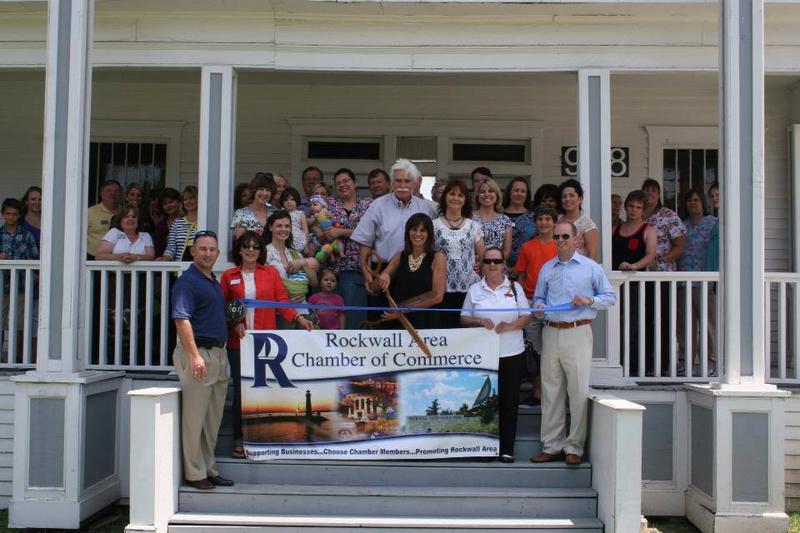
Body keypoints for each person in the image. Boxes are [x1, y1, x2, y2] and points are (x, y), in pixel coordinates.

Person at [530, 221, 616, 465]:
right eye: (557, 236)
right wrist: (539, 307)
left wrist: (588, 300)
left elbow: (610, 297)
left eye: (565, 236)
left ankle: (574, 448)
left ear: (576, 238)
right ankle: (551, 445)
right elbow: (538, 298)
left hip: (578, 331)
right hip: (551, 331)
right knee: (550, 391)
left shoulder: (591, 268)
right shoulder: (547, 268)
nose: (560, 240)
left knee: (578, 391)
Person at [221, 231, 312, 459]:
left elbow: (282, 303)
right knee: (242, 391)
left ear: (261, 251)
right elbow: (224, 306)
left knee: (265, 388)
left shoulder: (270, 273)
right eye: (246, 246)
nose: (251, 250)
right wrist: (234, 323)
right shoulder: (229, 275)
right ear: (239, 249)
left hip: (265, 342)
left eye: (255, 246)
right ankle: (239, 439)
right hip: (238, 342)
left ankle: (263, 438)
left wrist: (299, 319)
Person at [171, 230, 234, 490]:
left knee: (211, 420)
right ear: (193, 252)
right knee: (195, 418)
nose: (208, 253)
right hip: (199, 354)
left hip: (218, 354)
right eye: (203, 249)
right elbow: (181, 320)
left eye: (212, 249)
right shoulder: (188, 282)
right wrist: (195, 355)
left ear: (217, 253)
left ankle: (209, 468)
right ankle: (194, 473)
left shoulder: (212, 282)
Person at [461, 247, 531, 463]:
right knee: (485, 403)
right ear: (482, 264)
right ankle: (485, 447)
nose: (492, 265)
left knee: (509, 402)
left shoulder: (515, 288)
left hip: (512, 353)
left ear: (503, 265)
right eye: (488, 261)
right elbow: (463, 318)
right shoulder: (474, 289)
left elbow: (526, 316)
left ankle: (506, 448)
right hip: (483, 356)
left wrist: (510, 326)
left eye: (497, 261)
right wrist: (478, 321)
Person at [352, 159, 438, 299]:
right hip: (381, 271)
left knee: (410, 313)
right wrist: (367, 273)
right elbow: (364, 242)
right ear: (392, 182)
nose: (402, 185)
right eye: (398, 181)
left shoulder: (426, 208)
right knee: (380, 313)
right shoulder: (377, 206)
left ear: (414, 183)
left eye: (407, 181)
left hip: (415, 272)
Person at [642, 178, 686, 374]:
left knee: (663, 320)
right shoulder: (637, 214)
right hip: (640, 276)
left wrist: (660, 260)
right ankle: (645, 363)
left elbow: (680, 246)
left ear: (659, 194)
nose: (650, 194)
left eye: (654, 190)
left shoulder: (668, 215)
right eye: (647, 190)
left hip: (663, 277)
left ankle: (663, 364)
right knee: (644, 320)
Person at [515, 206, 558, 401]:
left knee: (552, 351)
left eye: (548, 219)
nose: (544, 223)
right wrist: (522, 303)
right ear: (535, 223)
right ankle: (537, 393)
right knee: (535, 351)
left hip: (553, 304)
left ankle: (552, 395)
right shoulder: (527, 247)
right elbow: (521, 275)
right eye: (540, 219)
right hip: (531, 302)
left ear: (554, 222)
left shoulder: (559, 246)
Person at [611, 190, 656, 377]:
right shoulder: (615, 229)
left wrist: (634, 266)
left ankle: (638, 365)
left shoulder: (648, 230)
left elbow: (650, 256)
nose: (634, 210)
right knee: (616, 324)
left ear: (643, 210)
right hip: (616, 285)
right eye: (631, 206)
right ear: (625, 206)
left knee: (637, 326)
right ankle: (618, 361)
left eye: (638, 207)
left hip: (638, 286)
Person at [377, 213, 446, 329]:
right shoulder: (400, 256)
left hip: (425, 322)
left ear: (429, 234)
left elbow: (437, 295)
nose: (418, 234)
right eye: (414, 229)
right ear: (408, 232)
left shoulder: (438, 257)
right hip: (398, 323)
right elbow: (386, 274)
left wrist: (401, 310)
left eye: (423, 230)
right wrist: (385, 276)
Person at [433, 179, 485, 328]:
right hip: (442, 290)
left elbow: (483, 257)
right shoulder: (433, 225)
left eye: (460, 195)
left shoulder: (474, 226)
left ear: (465, 200)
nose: (456, 198)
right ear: (445, 197)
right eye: (452, 194)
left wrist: (479, 267)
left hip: (470, 289)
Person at [677, 189, 718, 376]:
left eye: (696, 200)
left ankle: (709, 363)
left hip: (705, 282)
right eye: (689, 200)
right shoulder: (682, 226)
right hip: (683, 281)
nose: (692, 203)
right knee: (685, 326)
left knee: (708, 325)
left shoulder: (713, 223)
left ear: (703, 203)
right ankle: (686, 362)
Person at [326, 169, 373, 329]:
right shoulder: (330, 204)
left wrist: (341, 232)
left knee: (354, 321)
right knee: (332, 320)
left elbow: (370, 232)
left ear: (355, 183)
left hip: (358, 269)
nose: (342, 185)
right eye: (338, 183)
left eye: (346, 181)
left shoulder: (368, 204)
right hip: (331, 272)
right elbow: (321, 227)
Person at [264, 210, 319, 328]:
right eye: (279, 226)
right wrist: (287, 295)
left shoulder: (296, 254)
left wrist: (303, 263)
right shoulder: (264, 254)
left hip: (303, 311)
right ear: (270, 227)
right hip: (280, 312)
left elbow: (314, 282)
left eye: (287, 226)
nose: (284, 229)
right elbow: (263, 285)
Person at [558, 179, 599, 262]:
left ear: (580, 199)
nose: (567, 199)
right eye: (564, 196)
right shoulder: (556, 221)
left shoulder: (588, 225)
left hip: (580, 268)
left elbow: (592, 256)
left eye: (571, 195)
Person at [473, 178, 513, 261]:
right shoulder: (469, 219)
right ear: (477, 195)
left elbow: (506, 251)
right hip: (474, 265)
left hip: (497, 265)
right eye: (482, 192)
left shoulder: (505, 220)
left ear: (497, 195)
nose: (487, 194)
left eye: (491, 191)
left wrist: (495, 264)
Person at [502, 177, 537, 269]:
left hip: (528, 267)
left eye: (523, 191)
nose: (519, 193)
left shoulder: (534, 218)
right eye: (516, 190)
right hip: (501, 267)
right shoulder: (499, 217)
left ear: (527, 195)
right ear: (509, 192)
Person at [231, 173, 276, 239]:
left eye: (268, 190)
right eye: (261, 189)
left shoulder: (275, 213)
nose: (264, 193)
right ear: (254, 191)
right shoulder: (241, 214)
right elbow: (240, 241)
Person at [162, 186, 199, 261]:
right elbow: (171, 247)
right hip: (180, 266)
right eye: (185, 199)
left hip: (198, 266)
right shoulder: (177, 223)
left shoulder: (204, 222)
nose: (188, 201)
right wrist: (165, 258)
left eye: (191, 198)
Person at [87, 180, 121, 259]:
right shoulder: (90, 212)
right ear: (102, 194)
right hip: (93, 259)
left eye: (116, 191)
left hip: (120, 259)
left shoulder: (125, 213)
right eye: (109, 190)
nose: (113, 193)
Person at [152, 188, 182, 258]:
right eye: (164, 204)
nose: (168, 205)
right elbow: (158, 251)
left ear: (178, 201)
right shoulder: (161, 226)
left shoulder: (189, 220)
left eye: (171, 202)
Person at [279, 188, 309, 254]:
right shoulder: (280, 213)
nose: (289, 202)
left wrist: (306, 246)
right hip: (284, 240)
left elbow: (305, 230)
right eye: (286, 200)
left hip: (299, 241)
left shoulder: (300, 214)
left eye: (292, 199)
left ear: (297, 201)